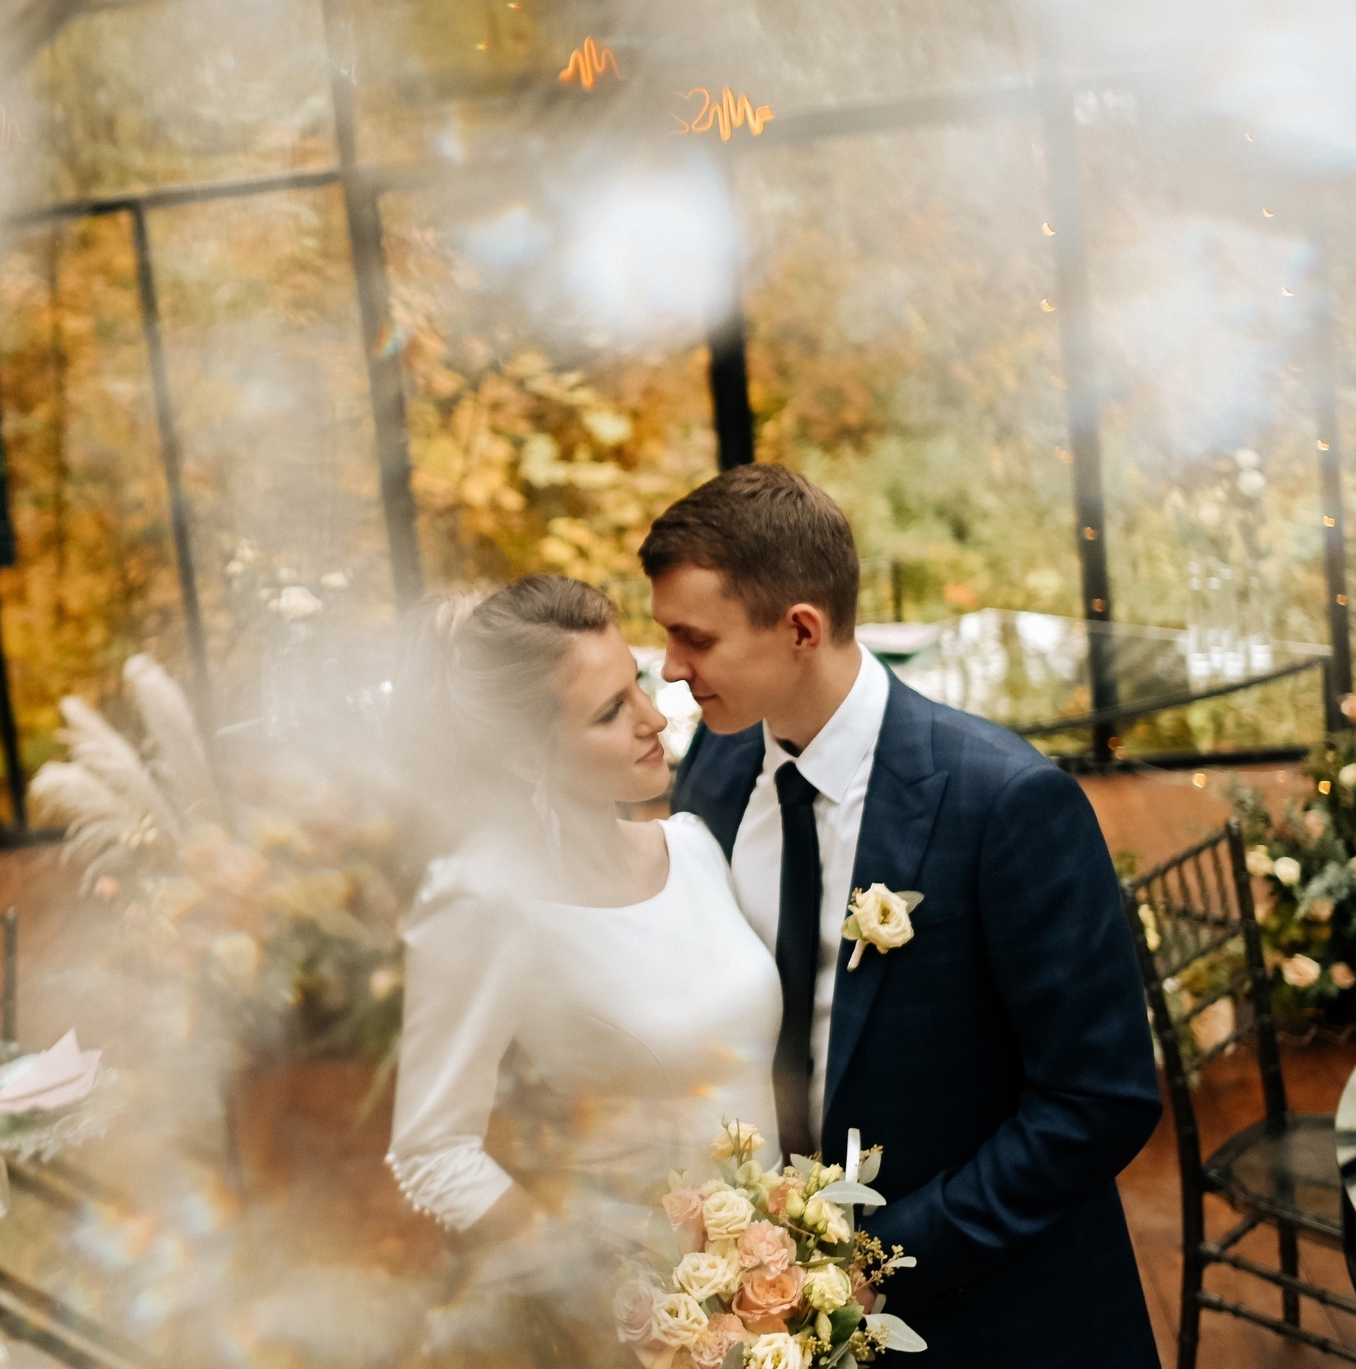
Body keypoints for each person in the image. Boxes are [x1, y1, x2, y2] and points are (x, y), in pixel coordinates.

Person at [647, 463, 1162, 1369]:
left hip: (998, 1317)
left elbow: (1099, 1100)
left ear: (800, 628)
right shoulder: (715, 771)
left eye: (695, 638)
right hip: (769, 1320)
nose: (670, 667)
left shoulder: (1005, 800)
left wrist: (869, 1260)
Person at [386, 575, 783, 1266]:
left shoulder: (694, 847)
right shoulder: (482, 898)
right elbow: (431, 1151)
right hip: (647, 1300)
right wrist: (596, 1280)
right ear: (523, 754)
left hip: (783, 1281)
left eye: (638, 684)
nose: (653, 718)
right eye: (609, 712)